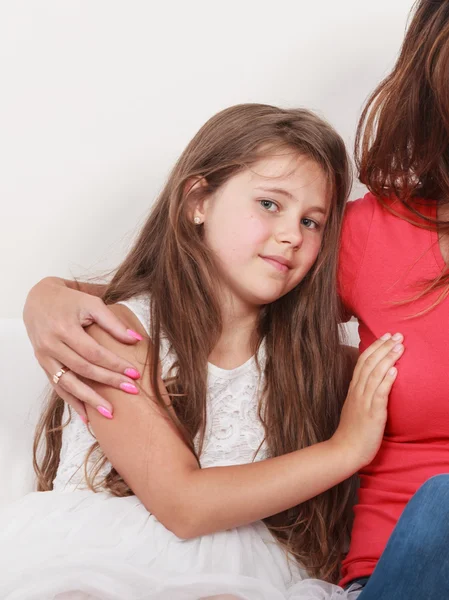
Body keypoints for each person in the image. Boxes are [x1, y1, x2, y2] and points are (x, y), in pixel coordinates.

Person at [22, 1, 449, 598]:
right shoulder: (117, 338)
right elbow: (184, 504)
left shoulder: (302, 359)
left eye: (312, 222)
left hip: (256, 570)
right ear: (197, 200)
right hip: (136, 560)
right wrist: (46, 295)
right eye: (270, 205)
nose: (290, 235)